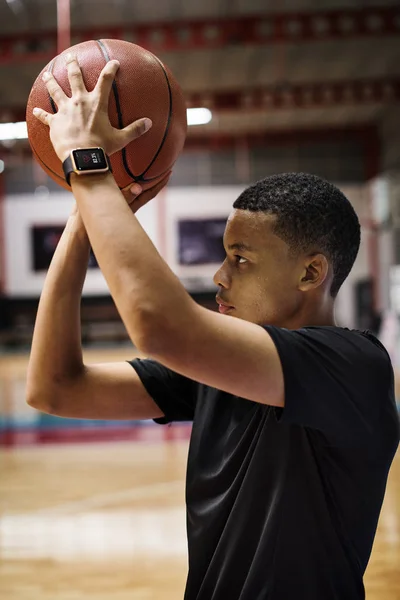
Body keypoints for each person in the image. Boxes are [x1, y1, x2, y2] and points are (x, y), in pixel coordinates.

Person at [27, 55, 400, 600]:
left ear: (311, 272)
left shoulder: (353, 366)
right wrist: (83, 219)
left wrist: (90, 167)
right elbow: (55, 387)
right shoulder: (217, 373)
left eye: (241, 259)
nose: (220, 277)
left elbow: (160, 325)